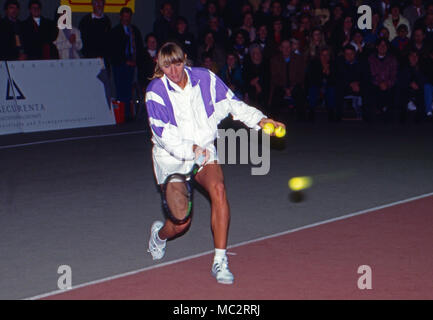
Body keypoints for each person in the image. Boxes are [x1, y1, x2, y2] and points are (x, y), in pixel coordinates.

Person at [145, 42, 284, 284]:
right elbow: (163, 135)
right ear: (160, 65)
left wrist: (261, 120)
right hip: (172, 158)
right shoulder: (155, 91)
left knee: (219, 190)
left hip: (204, 151)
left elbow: (233, 104)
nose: (174, 72)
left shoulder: (205, 78)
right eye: (167, 66)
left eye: (178, 64)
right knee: (180, 223)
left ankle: (220, 260)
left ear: (185, 60)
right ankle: (159, 235)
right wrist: (190, 149)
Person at [109, 7, 145, 122]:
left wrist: (136, 61)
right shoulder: (115, 31)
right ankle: (121, 115)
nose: (126, 19)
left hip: (132, 63)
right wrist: (125, 61)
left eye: (128, 17)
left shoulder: (134, 30)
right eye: (124, 17)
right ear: (120, 17)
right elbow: (113, 50)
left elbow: (139, 47)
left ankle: (129, 114)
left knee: (130, 89)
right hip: (120, 64)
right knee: (120, 89)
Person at [269, 39, 306, 121]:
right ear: (280, 48)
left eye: (288, 47)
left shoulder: (299, 59)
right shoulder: (275, 60)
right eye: (284, 47)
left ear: (291, 48)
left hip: (295, 84)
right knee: (276, 94)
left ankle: (302, 120)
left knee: (300, 93)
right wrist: (285, 88)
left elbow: (301, 75)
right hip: (281, 85)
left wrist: (292, 87)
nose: (286, 49)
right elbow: (275, 76)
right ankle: (274, 119)